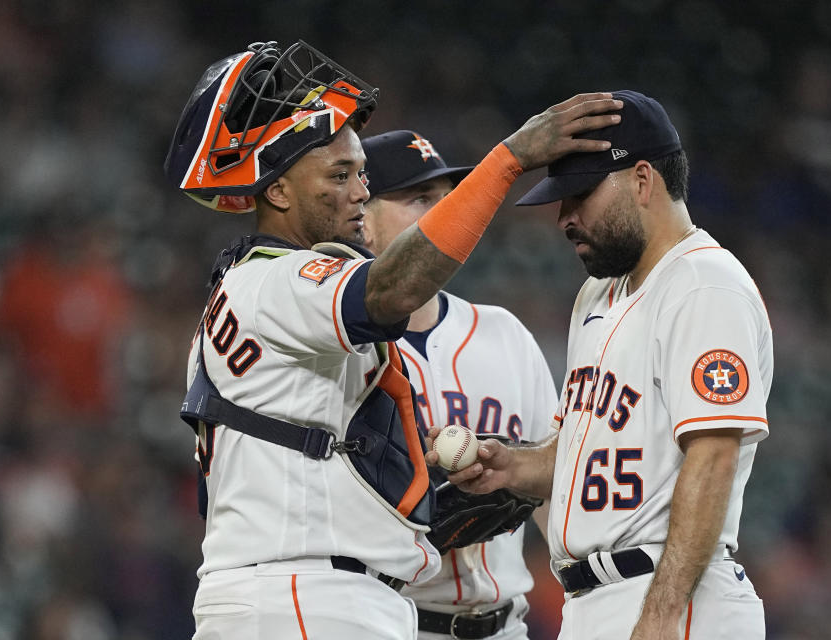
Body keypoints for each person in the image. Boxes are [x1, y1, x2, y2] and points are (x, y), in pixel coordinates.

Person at [163, 39, 623, 640]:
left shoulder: (255, 284)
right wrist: (508, 160)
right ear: (276, 191)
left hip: (297, 592)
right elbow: (389, 291)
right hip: (304, 595)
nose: (359, 191)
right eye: (340, 174)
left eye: (361, 174)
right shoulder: (281, 277)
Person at [433, 90, 773, 640]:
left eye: (580, 195)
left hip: (671, 597)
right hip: (594, 603)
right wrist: (514, 467)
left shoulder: (703, 285)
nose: (564, 218)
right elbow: (586, 451)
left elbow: (713, 457)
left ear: (642, 181)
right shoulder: (597, 296)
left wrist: (661, 618)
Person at [360, 129, 557, 640]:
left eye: (449, 199)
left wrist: (520, 471)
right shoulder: (342, 349)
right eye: (419, 199)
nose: (446, 213)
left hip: (507, 625)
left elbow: (563, 479)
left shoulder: (505, 334)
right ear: (362, 220)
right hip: (391, 625)